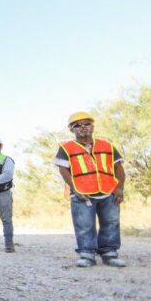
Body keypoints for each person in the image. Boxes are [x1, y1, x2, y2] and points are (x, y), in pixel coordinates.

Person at [55, 112, 126, 268]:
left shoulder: (106, 145)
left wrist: (120, 188)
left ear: (92, 126)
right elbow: (63, 170)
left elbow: (118, 167)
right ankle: (87, 255)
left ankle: (110, 254)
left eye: (86, 123)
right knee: (84, 224)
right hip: (82, 194)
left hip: (108, 192)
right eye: (77, 125)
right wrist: (74, 188)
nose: (82, 127)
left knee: (111, 223)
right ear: (71, 130)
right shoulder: (66, 148)